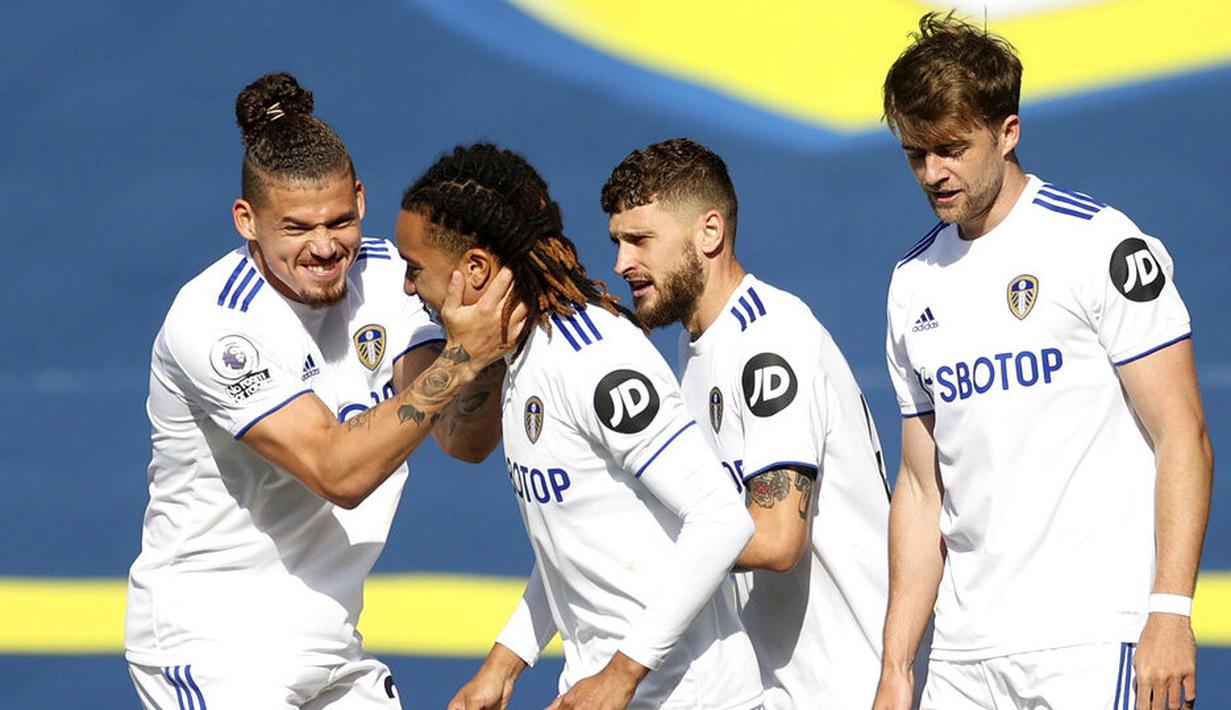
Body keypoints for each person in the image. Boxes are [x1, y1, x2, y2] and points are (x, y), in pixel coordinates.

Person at [125, 72, 520, 709]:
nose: (324, 248)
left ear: (361, 200)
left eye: (339, 222)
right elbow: (337, 470)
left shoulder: (390, 277)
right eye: (297, 228)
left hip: (333, 647)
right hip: (214, 649)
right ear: (246, 221)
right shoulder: (214, 323)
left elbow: (461, 436)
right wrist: (464, 355)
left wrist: (495, 344)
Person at [872, 13, 1213, 710]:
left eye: (950, 149)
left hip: (1093, 640)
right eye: (915, 155)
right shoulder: (912, 281)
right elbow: (919, 486)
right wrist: (897, 665)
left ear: (1007, 131)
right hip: (965, 658)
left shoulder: (1097, 245)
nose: (932, 173)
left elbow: (1182, 434)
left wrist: (1171, 611)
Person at [396, 143, 763, 710]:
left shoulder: (593, 357)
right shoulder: (520, 362)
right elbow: (577, 543)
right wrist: (505, 661)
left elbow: (720, 520)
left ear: (473, 269)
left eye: (415, 269)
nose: (407, 288)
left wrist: (621, 675)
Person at [601, 137, 896, 708]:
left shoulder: (769, 341)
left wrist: (621, 549)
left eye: (640, 240)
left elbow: (779, 535)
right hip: (775, 689)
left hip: (848, 687)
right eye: (617, 242)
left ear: (709, 233)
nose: (621, 264)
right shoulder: (694, 354)